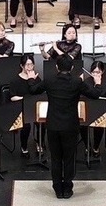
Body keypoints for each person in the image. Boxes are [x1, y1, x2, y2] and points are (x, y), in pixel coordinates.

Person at [28, 54, 99, 198]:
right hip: (70, 126)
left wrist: (31, 78)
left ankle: (57, 189)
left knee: (55, 157)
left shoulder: (49, 80)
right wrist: (97, 83)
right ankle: (67, 188)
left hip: (53, 125)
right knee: (69, 157)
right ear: (72, 68)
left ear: (56, 67)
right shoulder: (77, 82)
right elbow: (95, 95)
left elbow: (33, 90)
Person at [80, 61, 106, 156]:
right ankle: (87, 146)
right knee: (82, 124)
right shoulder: (87, 82)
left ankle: (96, 147)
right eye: (93, 72)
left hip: (102, 110)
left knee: (99, 125)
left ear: (102, 72)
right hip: (88, 109)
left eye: (98, 72)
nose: (95, 74)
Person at [10, 55, 41, 155]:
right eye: (27, 65)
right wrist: (25, 99)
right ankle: (24, 146)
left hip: (34, 106)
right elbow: (12, 97)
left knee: (42, 122)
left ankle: (40, 143)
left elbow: (40, 93)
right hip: (21, 107)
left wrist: (33, 80)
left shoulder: (36, 78)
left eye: (31, 64)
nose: (30, 67)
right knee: (26, 125)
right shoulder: (15, 80)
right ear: (22, 66)